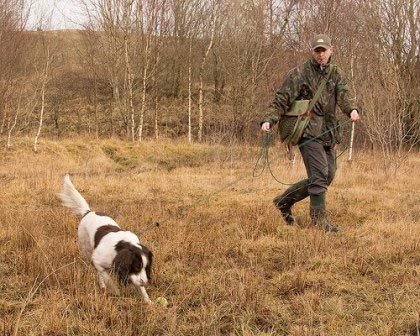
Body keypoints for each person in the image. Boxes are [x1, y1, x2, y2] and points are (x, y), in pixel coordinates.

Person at [261, 34, 360, 233]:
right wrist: (268, 119)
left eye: (324, 50)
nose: (321, 54)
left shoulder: (336, 73)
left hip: (329, 133)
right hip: (307, 133)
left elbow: (344, 96)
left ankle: (283, 202)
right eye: (317, 51)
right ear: (312, 52)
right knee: (319, 175)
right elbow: (281, 99)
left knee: (327, 176)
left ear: (331, 50)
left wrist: (352, 110)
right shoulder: (300, 73)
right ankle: (318, 221)